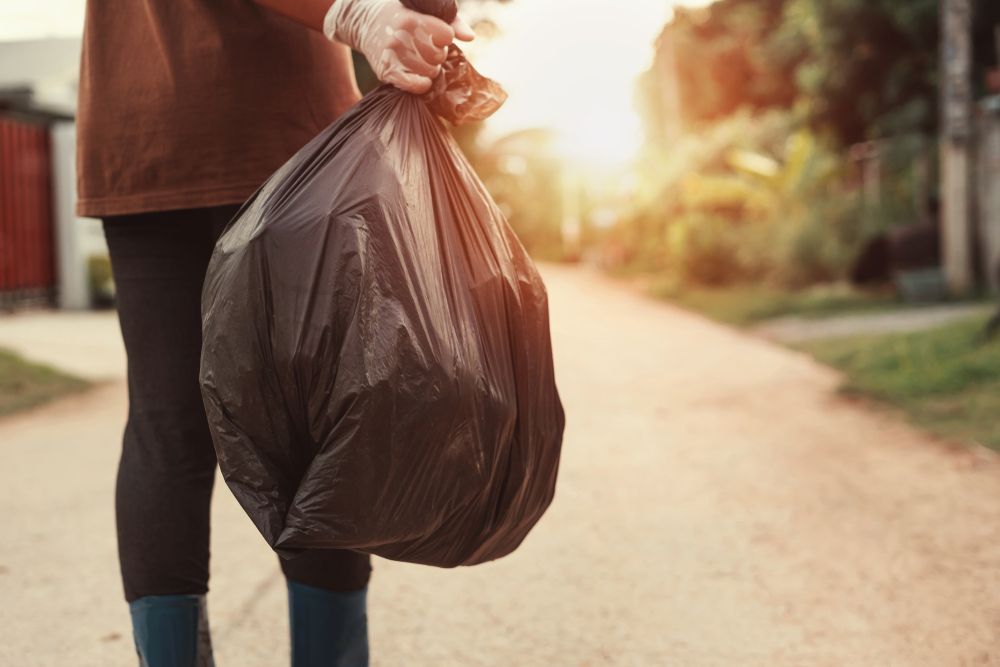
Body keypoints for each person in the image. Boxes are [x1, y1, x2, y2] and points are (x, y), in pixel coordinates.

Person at [76, 1, 473, 665]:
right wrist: (355, 14)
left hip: (140, 127)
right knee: (319, 419)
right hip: (287, 136)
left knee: (164, 423)